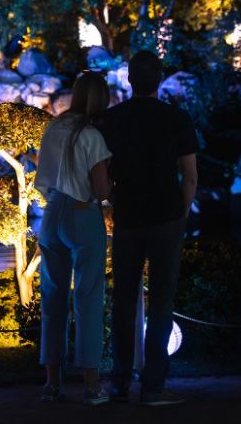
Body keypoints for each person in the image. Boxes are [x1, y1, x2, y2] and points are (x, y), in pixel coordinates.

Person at [100, 50, 198, 406]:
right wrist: (181, 215)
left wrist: (111, 201)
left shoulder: (111, 120)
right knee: (161, 303)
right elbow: (189, 177)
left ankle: (119, 380)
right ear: (159, 79)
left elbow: (103, 173)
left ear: (129, 80)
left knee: (123, 300)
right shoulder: (177, 119)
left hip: (127, 217)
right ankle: (153, 385)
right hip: (167, 217)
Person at [34, 71, 112, 405]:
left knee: (52, 298)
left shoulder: (54, 128)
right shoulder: (91, 135)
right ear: (102, 100)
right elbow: (102, 189)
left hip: (51, 214)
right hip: (83, 214)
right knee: (88, 298)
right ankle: (92, 386)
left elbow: (44, 176)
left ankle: (52, 384)